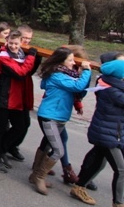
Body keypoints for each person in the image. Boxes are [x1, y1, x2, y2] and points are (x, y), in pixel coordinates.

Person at [29, 47, 91, 195]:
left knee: (47, 145)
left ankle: (34, 174)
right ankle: (39, 176)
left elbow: (79, 90)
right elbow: (77, 85)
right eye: (70, 60)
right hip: (50, 116)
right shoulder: (57, 75)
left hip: (60, 117)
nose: (73, 62)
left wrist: (82, 78)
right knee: (58, 150)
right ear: (61, 62)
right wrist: (87, 71)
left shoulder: (66, 75)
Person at [69, 52, 124, 206]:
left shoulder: (113, 85)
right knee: (121, 170)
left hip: (112, 132)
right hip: (107, 134)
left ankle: (79, 187)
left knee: (98, 162)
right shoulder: (112, 90)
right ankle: (118, 203)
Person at [0, 31, 37, 172]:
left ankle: (3, 149)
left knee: (21, 126)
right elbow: (20, 72)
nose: (14, 47)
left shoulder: (21, 54)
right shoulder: (3, 56)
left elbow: (27, 71)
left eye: (16, 44)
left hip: (17, 99)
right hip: (4, 98)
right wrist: (31, 58)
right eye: (11, 43)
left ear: (21, 43)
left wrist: (32, 58)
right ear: (6, 42)